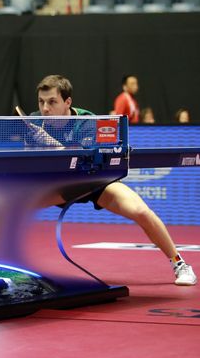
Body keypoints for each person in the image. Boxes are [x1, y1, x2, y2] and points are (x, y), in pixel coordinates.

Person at [31, 74, 195, 286]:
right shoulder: (34, 122)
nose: (45, 108)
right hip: (57, 186)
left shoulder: (88, 122)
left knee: (142, 211)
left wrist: (53, 145)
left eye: (52, 102)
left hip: (94, 183)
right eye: (41, 102)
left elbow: (84, 160)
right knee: (7, 206)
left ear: (67, 102)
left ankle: (180, 264)